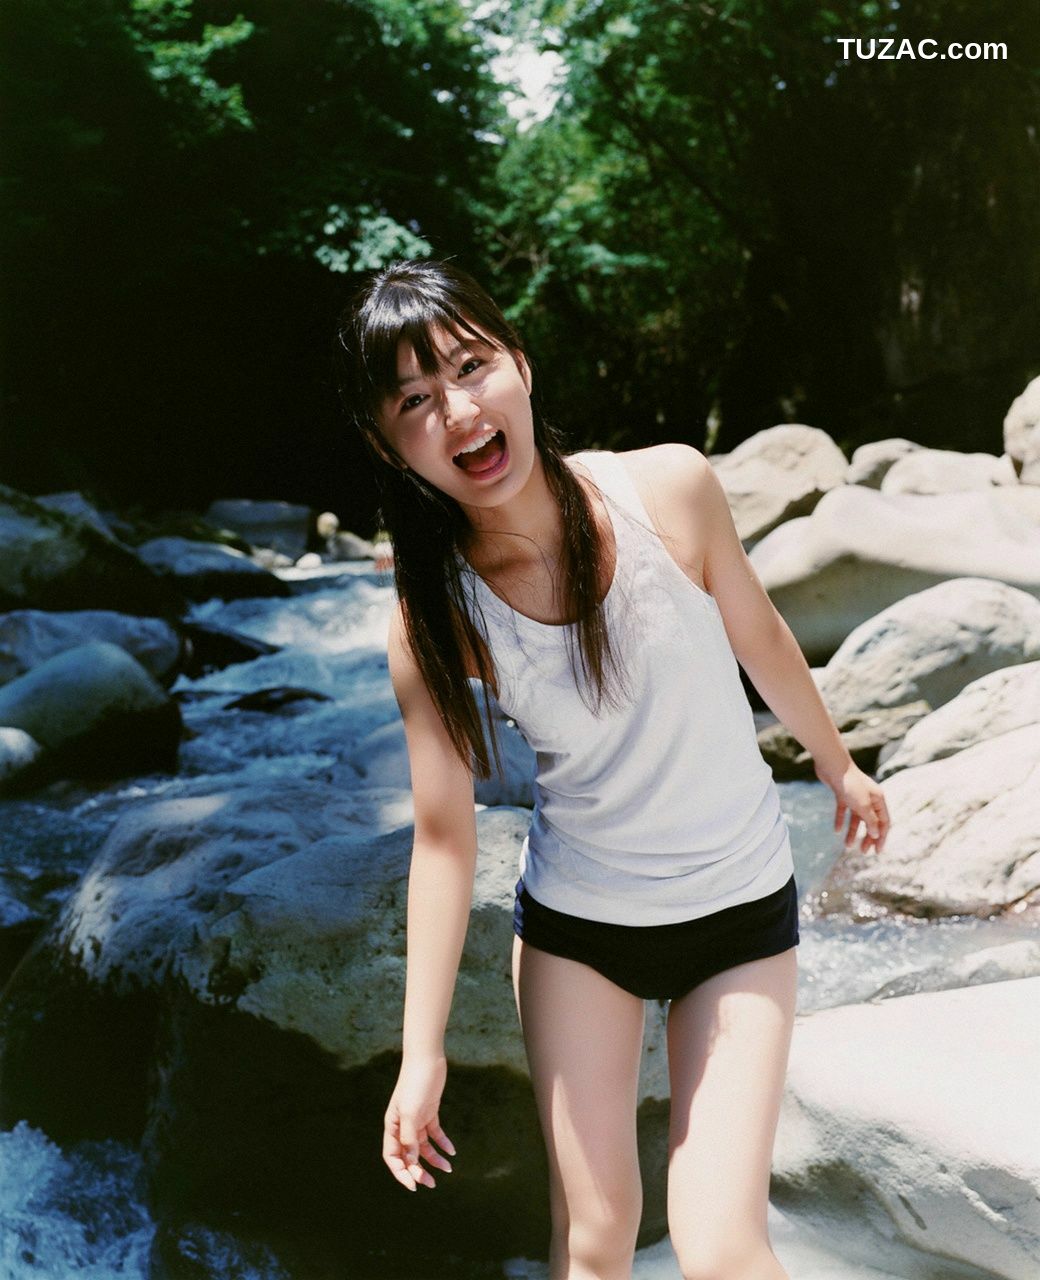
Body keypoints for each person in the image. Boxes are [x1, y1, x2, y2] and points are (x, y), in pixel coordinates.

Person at [335, 258, 890, 1280]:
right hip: (580, 933)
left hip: (737, 914)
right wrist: (422, 1053)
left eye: (470, 365)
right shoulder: (432, 617)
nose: (457, 409)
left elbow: (763, 638)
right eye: (414, 399)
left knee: (720, 1247)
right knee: (593, 1243)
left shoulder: (668, 487)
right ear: (386, 441)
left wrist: (837, 763)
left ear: (520, 363)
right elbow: (444, 839)